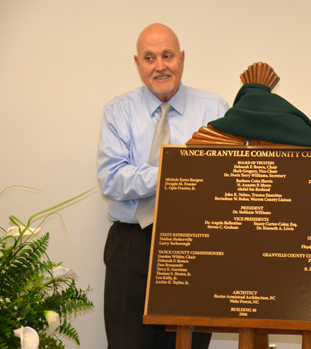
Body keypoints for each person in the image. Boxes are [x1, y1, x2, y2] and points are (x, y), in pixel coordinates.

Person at [97, 23, 228, 349]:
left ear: (181, 58)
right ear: (138, 62)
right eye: (149, 58)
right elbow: (112, 180)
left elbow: (224, 182)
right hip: (131, 248)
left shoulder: (215, 110)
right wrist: (179, 168)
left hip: (195, 245)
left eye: (167, 56)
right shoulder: (118, 111)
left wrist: (153, 174)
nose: (160, 66)